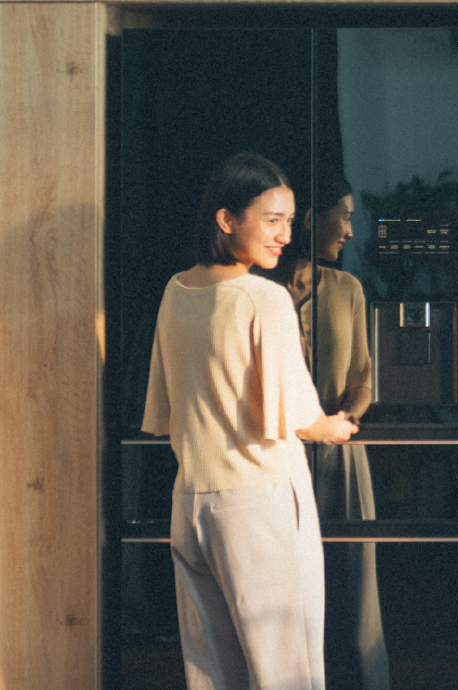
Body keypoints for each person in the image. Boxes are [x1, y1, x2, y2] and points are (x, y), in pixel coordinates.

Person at [143, 152, 358, 690]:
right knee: (288, 671)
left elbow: (166, 408)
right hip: (259, 502)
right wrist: (333, 427)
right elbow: (303, 416)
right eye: (271, 220)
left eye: (288, 220)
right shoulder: (264, 297)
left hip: (191, 504)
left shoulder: (176, 291)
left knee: (213, 675)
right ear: (226, 219)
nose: (285, 235)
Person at [260, 177, 389, 690]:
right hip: (274, 453)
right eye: (345, 216)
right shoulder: (258, 293)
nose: (351, 231)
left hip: (339, 450)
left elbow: (364, 378)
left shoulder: (348, 290)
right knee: (281, 579)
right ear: (312, 219)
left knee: (353, 577)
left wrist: (342, 426)